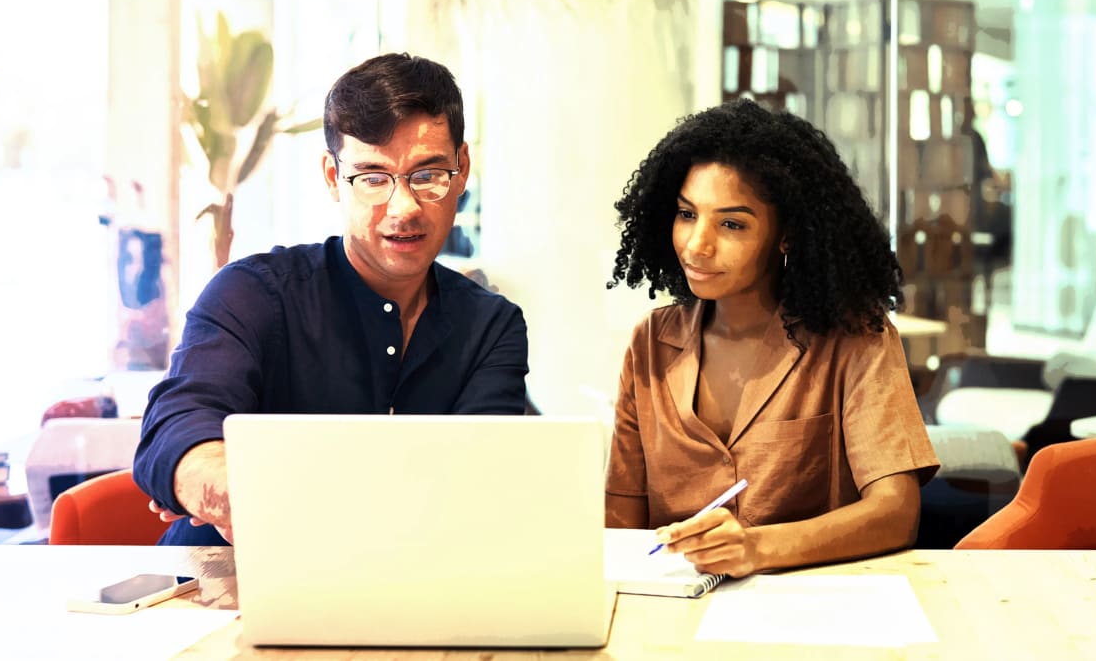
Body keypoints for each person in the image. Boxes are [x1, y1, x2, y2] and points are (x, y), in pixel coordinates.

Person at [134, 53, 529, 546]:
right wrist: (213, 482)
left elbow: (480, 484)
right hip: (224, 588)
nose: (403, 209)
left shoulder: (491, 326)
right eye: (372, 178)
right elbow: (177, 428)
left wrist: (287, 498)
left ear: (462, 168)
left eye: (428, 175)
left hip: (411, 595)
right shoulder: (253, 293)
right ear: (331, 177)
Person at [605, 99, 939, 578]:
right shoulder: (651, 344)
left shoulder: (854, 337)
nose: (698, 244)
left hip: (815, 609)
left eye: (732, 224)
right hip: (675, 609)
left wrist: (757, 548)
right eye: (686, 214)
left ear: (786, 235)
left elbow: (896, 513)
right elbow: (620, 523)